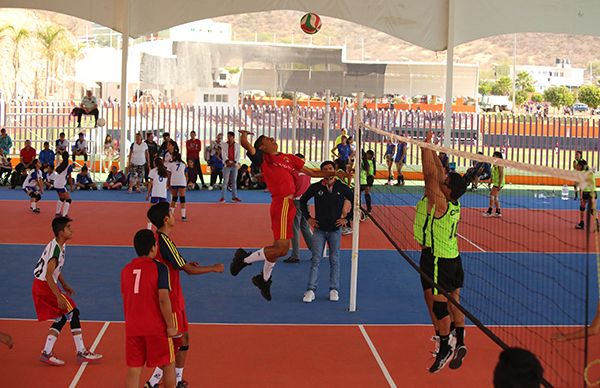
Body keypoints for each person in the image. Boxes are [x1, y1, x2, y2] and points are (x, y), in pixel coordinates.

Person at [230, 131, 345, 301]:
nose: (272, 138)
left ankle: (264, 279)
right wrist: (244, 137)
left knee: (279, 249)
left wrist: (333, 174)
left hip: (290, 205)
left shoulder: (289, 158)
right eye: (267, 139)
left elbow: (312, 173)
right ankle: (244, 259)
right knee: (282, 249)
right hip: (282, 203)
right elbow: (247, 145)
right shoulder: (265, 159)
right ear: (263, 147)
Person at [145, 203, 224, 388]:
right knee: (173, 344)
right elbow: (187, 270)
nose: (174, 216)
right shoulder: (163, 241)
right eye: (171, 213)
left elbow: (177, 262)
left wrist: (186, 263)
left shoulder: (161, 239)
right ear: (166, 219)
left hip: (175, 298)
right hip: (170, 300)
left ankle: (177, 379)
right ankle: (153, 382)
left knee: (184, 339)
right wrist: (212, 268)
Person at [421, 131, 468, 373]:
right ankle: (460, 339)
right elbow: (438, 174)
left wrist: (423, 147)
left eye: (446, 182)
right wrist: (430, 146)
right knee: (454, 299)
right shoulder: (453, 201)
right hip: (454, 256)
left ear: (448, 190)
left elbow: (430, 175)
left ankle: (445, 346)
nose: (443, 180)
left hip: (438, 258)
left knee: (440, 306)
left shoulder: (439, 202)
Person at [32, 217, 103, 366]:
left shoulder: (60, 245)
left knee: (61, 318)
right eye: (68, 228)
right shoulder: (56, 249)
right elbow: (48, 274)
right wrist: (58, 296)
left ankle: (46, 352)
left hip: (42, 285)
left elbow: (54, 270)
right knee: (73, 312)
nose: (72, 230)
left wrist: (64, 284)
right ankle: (81, 351)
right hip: (45, 286)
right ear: (61, 232)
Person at [121, 230, 178, 388]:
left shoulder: (126, 270)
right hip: (155, 327)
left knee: (134, 369)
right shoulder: (160, 268)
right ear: (153, 248)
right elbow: (163, 298)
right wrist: (170, 326)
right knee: (168, 364)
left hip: (133, 327)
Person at [300, 161, 353, 302]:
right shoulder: (316, 187)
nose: (328, 171)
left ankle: (334, 289)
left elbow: (356, 201)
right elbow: (302, 201)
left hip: (335, 230)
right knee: (316, 260)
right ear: (322, 172)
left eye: (330, 168)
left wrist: (347, 219)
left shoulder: (341, 187)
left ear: (334, 170)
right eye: (325, 169)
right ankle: (310, 290)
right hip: (319, 230)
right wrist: (308, 218)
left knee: (334, 260)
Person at [284, 153, 313, 264]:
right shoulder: (307, 172)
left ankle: (295, 255)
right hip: (305, 201)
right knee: (305, 227)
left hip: (296, 201)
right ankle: (315, 252)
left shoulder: (293, 173)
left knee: (294, 228)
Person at [146, 158, 170, 229]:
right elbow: (167, 183)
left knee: (151, 211)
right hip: (163, 194)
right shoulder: (165, 171)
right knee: (163, 212)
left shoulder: (153, 171)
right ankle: (162, 227)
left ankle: (149, 228)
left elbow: (150, 183)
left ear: (155, 163)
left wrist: (148, 193)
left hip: (155, 193)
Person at [574, 159, 597, 230]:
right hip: (594, 192)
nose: (576, 166)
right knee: (592, 210)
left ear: (581, 166)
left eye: (578, 165)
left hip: (586, 193)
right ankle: (597, 224)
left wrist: (581, 197)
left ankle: (581, 224)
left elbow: (581, 186)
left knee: (582, 207)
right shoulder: (590, 172)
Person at [219, 131, 241, 203]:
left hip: (234, 165)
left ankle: (234, 197)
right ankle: (223, 197)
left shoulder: (237, 145)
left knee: (234, 181)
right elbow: (223, 154)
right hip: (227, 165)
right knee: (225, 182)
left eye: (230, 136)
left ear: (233, 137)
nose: (228, 138)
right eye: (228, 136)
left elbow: (238, 154)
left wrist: (235, 162)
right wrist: (227, 161)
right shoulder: (224, 145)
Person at [167, 152, 188, 221]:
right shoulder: (183, 164)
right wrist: (186, 182)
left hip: (174, 181)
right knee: (182, 198)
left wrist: (168, 183)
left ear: (175, 157)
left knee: (174, 198)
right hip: (182, 181)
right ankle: (183, 216)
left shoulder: (170, 164)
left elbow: (168, 175)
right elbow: (186, 174)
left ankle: (171, 215)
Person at [483, 151, 505, 218]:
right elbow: (493, 174)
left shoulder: (500, 164)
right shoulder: (494, 164)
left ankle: (489, 211)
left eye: (494, 155)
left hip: (498, 183)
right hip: (495, 182)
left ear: (498, 157)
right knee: (495, 197)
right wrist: (490, 181)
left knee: (492, 195)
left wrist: (499, 185)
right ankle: (498, 212)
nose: (493, 157)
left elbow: (501, 175)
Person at [54, 152, 74, 217]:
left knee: (61, 198)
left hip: (56, 183)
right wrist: (71, 186)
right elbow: (70, 178)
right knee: (68, 199)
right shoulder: (68, 166)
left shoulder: (59, 164)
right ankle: (64, 215)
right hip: (61, 184)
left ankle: (57, 213)